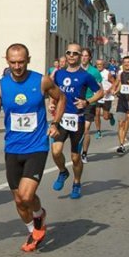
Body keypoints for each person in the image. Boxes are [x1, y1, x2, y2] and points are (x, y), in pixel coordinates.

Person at [0, 43, 64, 252]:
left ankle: (37, 221)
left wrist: (55, 123)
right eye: (13, 62)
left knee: (27, 196)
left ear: (28, 59)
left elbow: (61, 98)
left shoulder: (42, 81)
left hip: (37, 146)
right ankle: (34, 227)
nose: (17, 66)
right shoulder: (0, 86)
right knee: (19, 201)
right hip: (12, 148)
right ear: (7, 61)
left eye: (21, 62)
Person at [50, 44, 103, 199]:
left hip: (77, 120)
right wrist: (52, 102)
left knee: (75, 157)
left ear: (80, 56)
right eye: (69, 53)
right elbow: (54, 92)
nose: (71, 55)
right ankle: (62, 171)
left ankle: (77, 182)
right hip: (61, 118)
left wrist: (87, 102)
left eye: (75, 53)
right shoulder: (58, 74)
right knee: (56, 151)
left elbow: (100, 92)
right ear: (65, 55)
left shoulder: (85, 75)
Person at [79, 47, 103, 163]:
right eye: (82, 55)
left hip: (89, 102)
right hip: (76, 102)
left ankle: (84, 153)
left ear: (89, 58)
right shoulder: (75, 70)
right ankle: (76, 149)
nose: (83, 58)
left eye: (86, 56)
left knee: (85, 129)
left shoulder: (94, 72)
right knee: (76, 130)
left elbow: (99, 90)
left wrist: (93, 99)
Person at [113, 56, 129, 154]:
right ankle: (121, 145)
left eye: (128, 62)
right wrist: (115, 90)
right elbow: (118, 84)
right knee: (121, 123)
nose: (126, 64)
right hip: (122, 101)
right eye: (125, 62)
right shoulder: (121, 74)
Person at [93, 58, 116, 139]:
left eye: (101, 64)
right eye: (98, 64)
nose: (99, 66)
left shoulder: (107, 73)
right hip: (97, 96)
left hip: (107, 97)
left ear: (103, 65)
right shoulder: (94, 72)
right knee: (97, 113)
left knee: (105, 117)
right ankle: (98, 131)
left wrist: (109, 90)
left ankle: (110, 116)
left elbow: (114, 82)